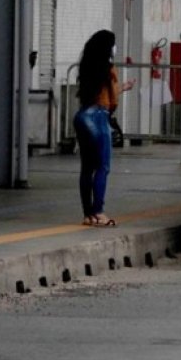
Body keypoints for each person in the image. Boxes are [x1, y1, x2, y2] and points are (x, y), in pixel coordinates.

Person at [73, 29, 134, 227]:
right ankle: (99, 212)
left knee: (86, 168)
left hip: (82, 117)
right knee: (103, 167)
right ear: (108, 48)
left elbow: (100, 92)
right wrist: (119, 94)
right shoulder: (109, 68)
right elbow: (112, 99)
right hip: (99, 118)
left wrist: (121, 87)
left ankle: (87, 215)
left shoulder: (87, 66)